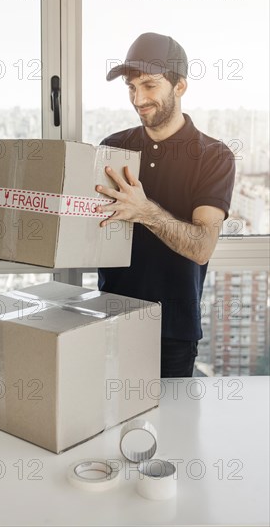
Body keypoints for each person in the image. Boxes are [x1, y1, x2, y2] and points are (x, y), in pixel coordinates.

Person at [96, 32, 236, 378]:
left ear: (180, 86)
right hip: (111, 322)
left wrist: (145, 211)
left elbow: (202, 246)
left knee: (173, 431)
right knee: (112, 429)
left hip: (173, 331)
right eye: (131, 87)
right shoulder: (112, 148)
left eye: (149, 85)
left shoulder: (213, 157)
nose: (138, 98)